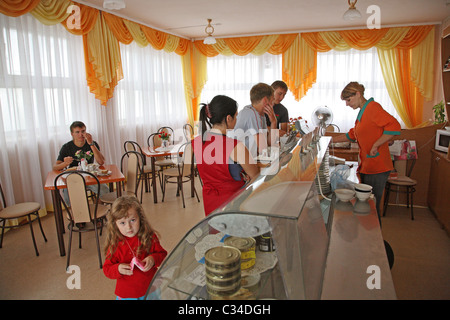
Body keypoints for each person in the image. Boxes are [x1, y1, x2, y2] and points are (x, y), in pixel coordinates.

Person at [332, 82, 401, 221]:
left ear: (358, 94)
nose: (347, 104)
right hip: (368, 165)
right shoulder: (363, 113)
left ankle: (375, 240)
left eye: (348, 100)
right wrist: (330, 140)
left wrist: (376, 144)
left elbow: (394, 126)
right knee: (366, 206)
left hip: (377, 165)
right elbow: (353, 134)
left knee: (371, 207)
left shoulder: (372, 108)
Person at [193, 95, 260, 216]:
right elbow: (255, 176)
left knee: (216, 232)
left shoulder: (196, 143)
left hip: (210, 202)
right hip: (233, 203)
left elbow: (212, 170)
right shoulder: (235, 146)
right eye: (236, 116)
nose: (236, 120)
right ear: (228, 118)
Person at [103, 195, 167, 300]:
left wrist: (153, 259)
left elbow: (162, 255)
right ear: (115, 224)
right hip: (127, 293)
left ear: (140, 218)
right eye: (122, 223)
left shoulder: (149, 236)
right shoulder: (115, 244)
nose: (128, 227)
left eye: (132, 220)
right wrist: (118, 268)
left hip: (151, 287)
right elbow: (107, 269)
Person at [53, 121, 108, 204]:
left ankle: (97, 210)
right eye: (77, 132)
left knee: (105, 191)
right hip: (73, 178)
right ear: (72, 134)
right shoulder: (67, 147)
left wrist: (91, 143)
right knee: (69, 199)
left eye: (83, 131)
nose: (81, 134)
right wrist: (65, 163)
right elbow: (55, 167)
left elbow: (101, 162)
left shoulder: (92, 143)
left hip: (90, 177)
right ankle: (78, 214)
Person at [233, 83, 277, 158]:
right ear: (265, 100)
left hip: (246, 159)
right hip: (239, 162)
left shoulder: (260, 114)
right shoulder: (252, 114)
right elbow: (263, 150)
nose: (273, 104)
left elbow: (269, 143)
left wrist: (274, 122)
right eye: (272, 100)